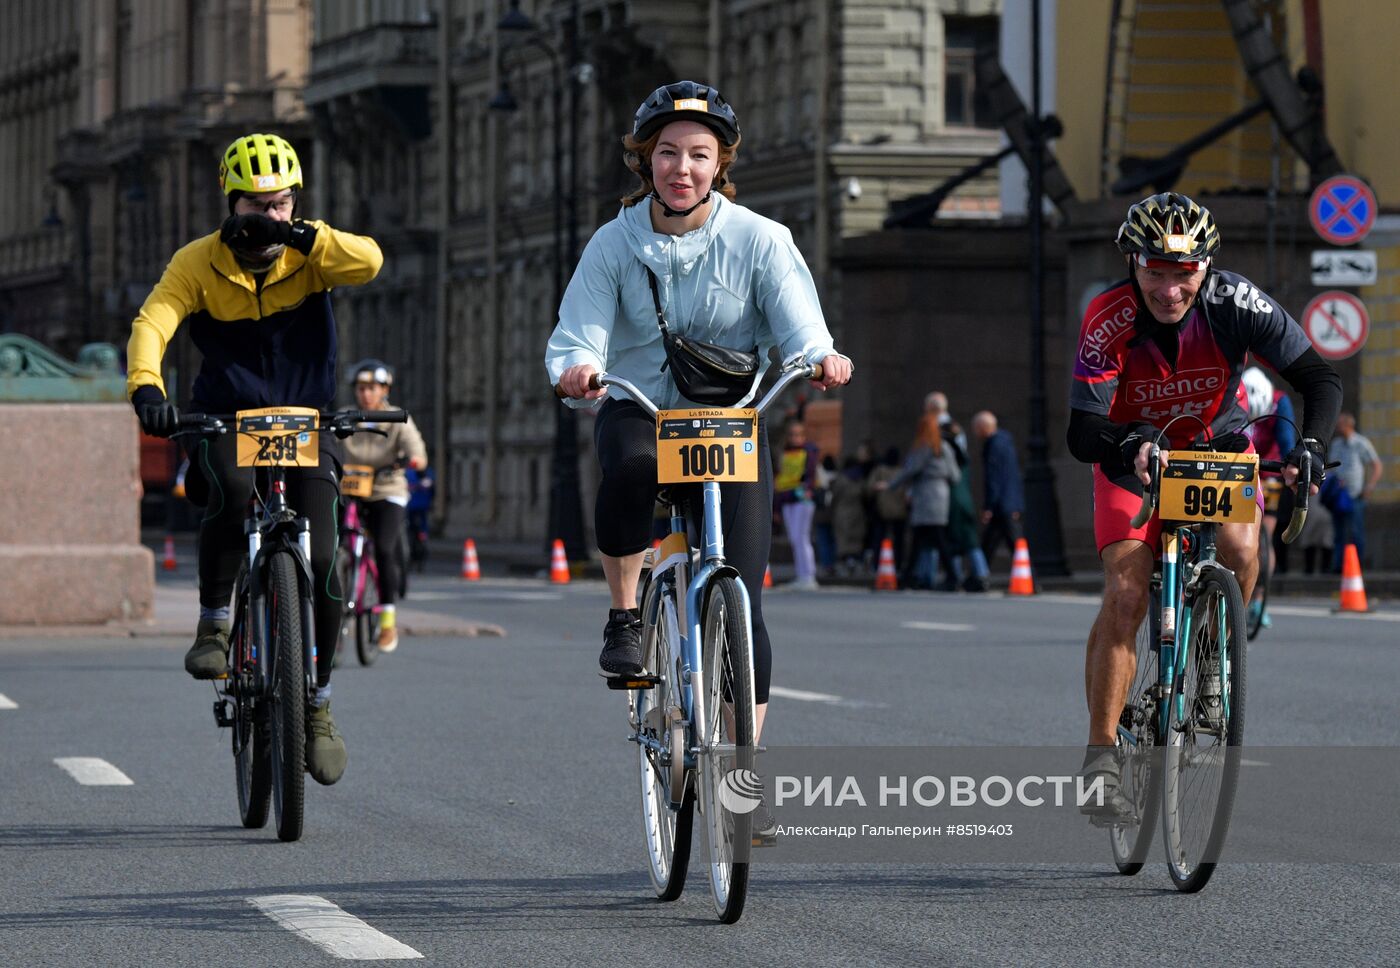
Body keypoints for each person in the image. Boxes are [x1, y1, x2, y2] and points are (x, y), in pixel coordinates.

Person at [546, 81, 853, 838]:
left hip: (727, 418)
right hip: (640, 406)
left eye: (699, 156)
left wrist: (820, 357)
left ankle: (742, 779)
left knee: (745, 602)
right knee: (626, 466)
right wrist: (579, 366)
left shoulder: (760, 238)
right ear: (645, 160)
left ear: (721, 165)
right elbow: (580, 328)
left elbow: (798, 320)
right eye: (668, 154)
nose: (682, 168)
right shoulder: (613, 244)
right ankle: (624, 616)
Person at [1066, 192, 1341, 816]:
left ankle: (1216, 660)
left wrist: (1312, 446)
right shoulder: (1108, 315)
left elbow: (1319, 377)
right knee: (1129, 593)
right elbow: (1081, 433)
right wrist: (1129, 440)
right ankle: (1102, 757)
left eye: (1183, 272)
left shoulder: (1236, 303)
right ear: (1132, 264)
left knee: (1244, 547)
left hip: (1216, 447)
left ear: (1206, 266)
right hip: (1131, 456)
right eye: (1154, 272)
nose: (1168, 289)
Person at [126, 132, 384, 785]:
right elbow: (154, 321)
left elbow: (371, 261)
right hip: (226, 417)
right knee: (229, 487)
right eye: (258, 206)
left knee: (324, 557)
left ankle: (318, 704)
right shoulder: (199, 262)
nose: (271, 217)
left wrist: (306, 237)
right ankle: (215, 621)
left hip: (306, 421)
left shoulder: (312, 253)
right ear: (231, 203)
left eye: (282, 203)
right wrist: (147, 388)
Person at [340, 360, 428, 652]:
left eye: (372, 388)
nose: (366, 394)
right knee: (332, 545)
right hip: (350, 489)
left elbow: (418, 452)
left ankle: (388, 621)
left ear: (385, 390)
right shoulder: (346, 416)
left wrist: (407, 462)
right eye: (361, 388)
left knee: (385, 549)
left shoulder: (396, 418)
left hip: (386, 489)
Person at [1239, 365, 1295, 627]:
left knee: (1265, 535)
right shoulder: (1233, 396)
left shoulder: (1279, 402)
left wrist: (1291, 466)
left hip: (1270, 469)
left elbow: (1286, 440)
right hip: (1240, 465)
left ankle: (1258, 597)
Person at [881, 414, 961, 589]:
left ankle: (945, 577)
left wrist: (890, 485)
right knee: (930, 538)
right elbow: (955, 475)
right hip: (942, 495)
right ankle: (916, 576)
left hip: (926, 496)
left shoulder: (924, 447)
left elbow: (911, 469)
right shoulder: (945, 447)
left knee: (928, 539)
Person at [971, 411, 1025, 578]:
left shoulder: (993, 446)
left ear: (983, 427)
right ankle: (976, 578)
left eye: (976, 428)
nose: (974, 432)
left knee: (1010, 544)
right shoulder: (1006, 442)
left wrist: (988, 506)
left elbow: (993, 478)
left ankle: (977, 578)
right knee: (992, 543)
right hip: (1009, 501)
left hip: (1001, 504)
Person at [1327, 412, 1383, 571]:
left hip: (1355, 495)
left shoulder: (1361, 443)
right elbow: (1332, 468)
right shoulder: (1336, 444)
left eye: (1340, 424)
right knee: (1338, 532)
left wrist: (1370, 486)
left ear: (1348, 425)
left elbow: (1376, 465)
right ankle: (1338, 566)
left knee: (1356, 531)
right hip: (1339, 495)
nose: (1337, 427)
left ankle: (1356, 567)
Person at [774, 419, 821, 590]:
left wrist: (807, 488)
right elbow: (780, 476)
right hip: (787, 498)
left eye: (799, 434)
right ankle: (802, 575)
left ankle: (808, 575)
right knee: (795, 539)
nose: (795, 438)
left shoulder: (809, 451)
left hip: (802, 498)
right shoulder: (784, 452)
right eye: (792, 434)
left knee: (801, 537)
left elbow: (810, 473)